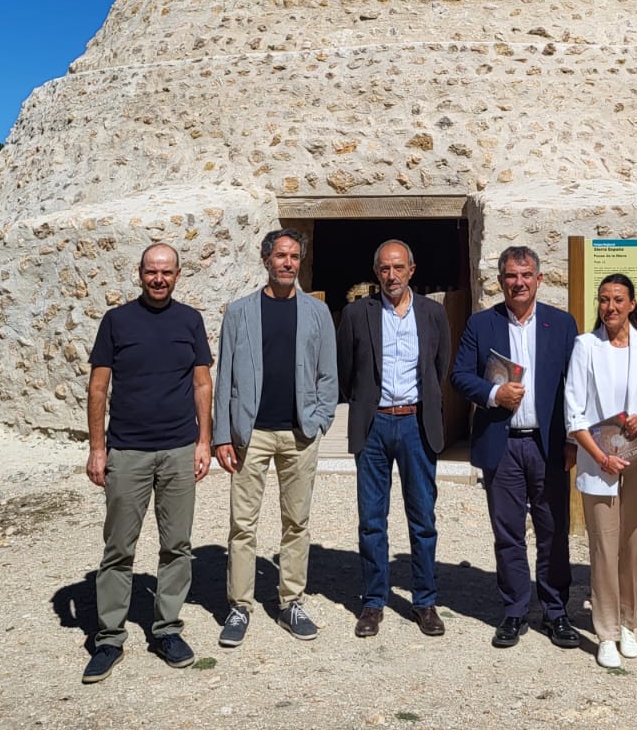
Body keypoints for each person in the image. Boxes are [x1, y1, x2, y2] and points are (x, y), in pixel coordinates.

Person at [82, 243, 213, 683]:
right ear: (139, 274)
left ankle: (167, 629)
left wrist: (204, 441)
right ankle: (109, 638)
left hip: (178, 450)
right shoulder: (117, 321)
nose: (159, 279)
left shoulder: (190, 320)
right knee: (119, 548)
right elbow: (98, 389)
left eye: (167, 272)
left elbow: (202, 384)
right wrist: (97, 448)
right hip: (128, 451)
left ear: (179, 275)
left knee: (177, 545)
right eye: (151, 271)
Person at [451, 246, 581, 650]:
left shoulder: (561, 324)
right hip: (502, 444)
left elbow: (575, 386)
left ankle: (556, 612)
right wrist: (493, 393)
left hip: (548, 445)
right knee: (507, 533)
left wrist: (574, 440)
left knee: (554, 531)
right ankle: (514, 610)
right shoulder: (481, 323)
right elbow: (459, 376)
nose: (518, 283)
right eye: (510, 276)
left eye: (525, 275)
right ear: (501, 281)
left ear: (539, 280)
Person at [212, 228, 338, 646]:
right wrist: (221, 436)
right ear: (265, 260)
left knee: (296, 522)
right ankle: (239, 606)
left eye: (294, 256)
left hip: (299, 434)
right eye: (281, 256)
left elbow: (327, 375)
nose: (288, 263)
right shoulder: (240, 312)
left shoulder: (317, 313)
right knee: (242, 525)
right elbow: (224, 375)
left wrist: (319, 420)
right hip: (251, 434)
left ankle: (291, 601)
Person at [337, 239, 450, 638]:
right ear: (376, 273)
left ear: (412, 271)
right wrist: (368, 404)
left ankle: (425, 601)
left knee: (422, 519)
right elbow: (346, 371)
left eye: (398, 268)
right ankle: (373, 602)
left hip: (417, 424)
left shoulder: (433, 314)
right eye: (384, 269)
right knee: (371, 521)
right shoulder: (356, 314)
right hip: (375, 425)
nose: (391, 276)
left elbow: (440, 368)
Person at [565, 274, 637, 669]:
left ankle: (629, 622)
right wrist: (599, 456)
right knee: (603, 549)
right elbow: (574, 412)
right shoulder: (585, 346)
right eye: (603, 300)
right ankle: (606, 631)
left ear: (632, 304)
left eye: (618, 300)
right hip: (600, 461)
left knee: (632, 547)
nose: (610, 307)